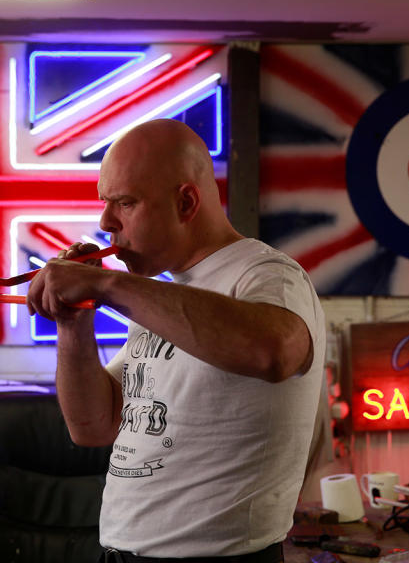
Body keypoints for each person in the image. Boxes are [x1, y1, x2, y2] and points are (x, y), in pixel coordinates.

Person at [26, 118, 325, 563]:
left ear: (186, 202)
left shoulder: (267, 276)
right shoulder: (163, 295)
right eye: (106, 203)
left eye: (125, 203)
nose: (106, 222)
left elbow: (275, 350)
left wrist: (108, 286)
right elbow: (93, 425)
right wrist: (73, 322)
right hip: (122, 550)